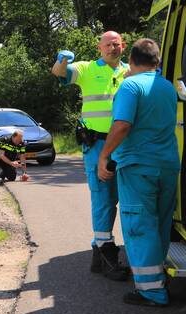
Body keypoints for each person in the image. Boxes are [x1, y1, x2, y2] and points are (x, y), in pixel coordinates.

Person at [97, 38, 180, 307]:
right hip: (167, 165)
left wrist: (104, 155)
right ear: (157, 62)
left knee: (140, 226)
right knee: (160, 224)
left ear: (131, 61)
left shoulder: (130, 85)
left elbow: (122, 125)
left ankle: (151, 291)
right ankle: (159, 277)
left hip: (138, 167)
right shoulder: (167, 87)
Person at [51, 31, 128, 280]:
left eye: (116, 44)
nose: (112, 48)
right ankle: (106, 254)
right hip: (96, 145)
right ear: (99, 48)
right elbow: (59, 73)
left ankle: (99, 252)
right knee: (103, 198)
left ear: (123, 46)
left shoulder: (130, 71)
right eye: (107, 44)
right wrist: (62, 59)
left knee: (120, 198)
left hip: (125, 144)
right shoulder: (86, 68)